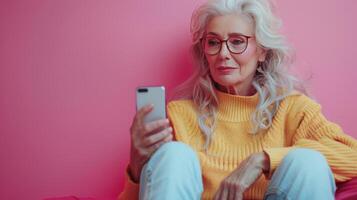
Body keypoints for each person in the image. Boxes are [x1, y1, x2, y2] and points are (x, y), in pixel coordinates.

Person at [118, 0, 357, 199]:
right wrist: (137, 166)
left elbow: (353, 156)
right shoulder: (179, 115)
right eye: (213, 42)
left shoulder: (294, 109)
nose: (223, 53)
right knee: (173, 155)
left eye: (237, 41)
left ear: (262, 50)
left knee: (308, 161)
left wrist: (262, 160)